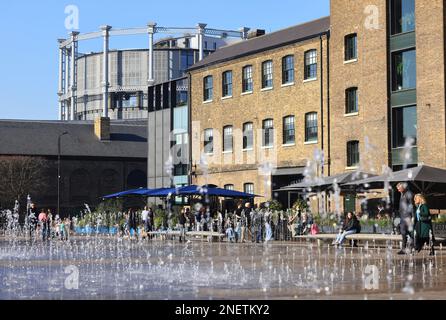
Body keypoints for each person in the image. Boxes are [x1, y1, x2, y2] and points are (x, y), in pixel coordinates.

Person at [397, 182, 414, 255]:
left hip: (408, 217)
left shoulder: (408, 194)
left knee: (410, 233)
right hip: (402, 217)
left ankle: (410, 248)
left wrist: (413, 217)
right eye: (397, 189)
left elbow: (411, 205)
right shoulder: (402, 194)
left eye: (399, 188)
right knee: (403, 233)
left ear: (403, 187)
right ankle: (403, 249)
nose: (398, 190)